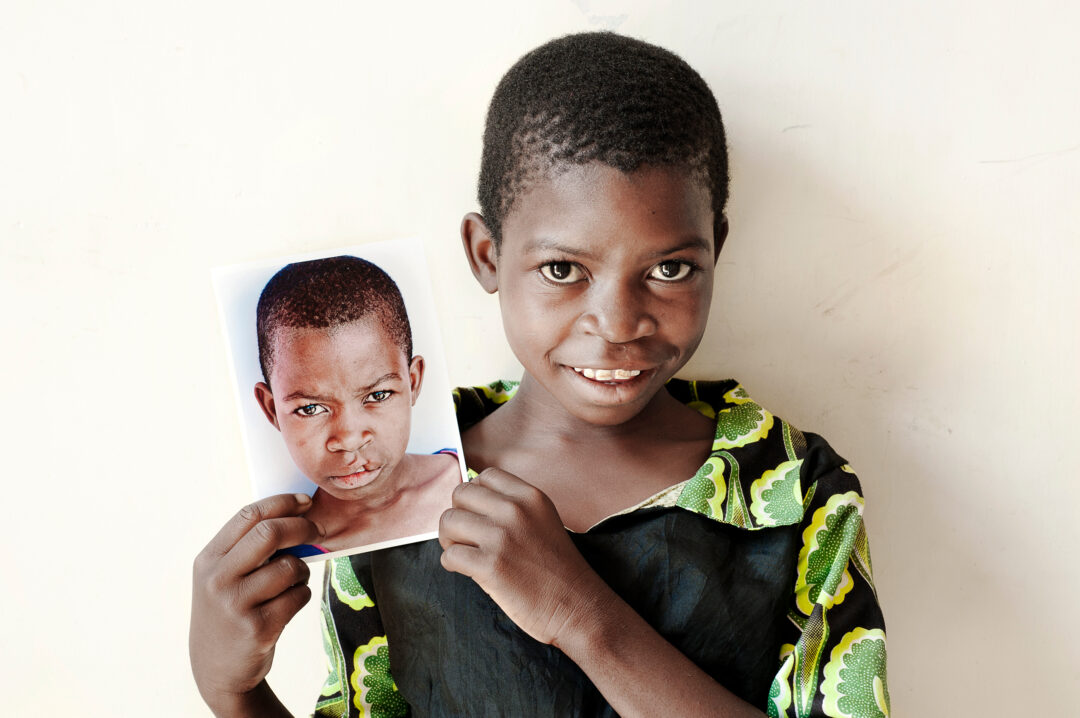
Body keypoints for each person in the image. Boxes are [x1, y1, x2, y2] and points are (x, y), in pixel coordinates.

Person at [191, 32, 889, 718]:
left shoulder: (800, 493)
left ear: (716, 251)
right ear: (487, 254)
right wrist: (236, 692)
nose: (616, 324)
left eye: (669, 269)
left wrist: (580, 613)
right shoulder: (395, 490)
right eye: (563, 270)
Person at [251, 256, 460, 557]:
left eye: (377, 396)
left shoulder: (479, 472)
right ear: (271, 410)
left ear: (413, 382)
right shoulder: (291, 562)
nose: (349, 439)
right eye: (310, 409)